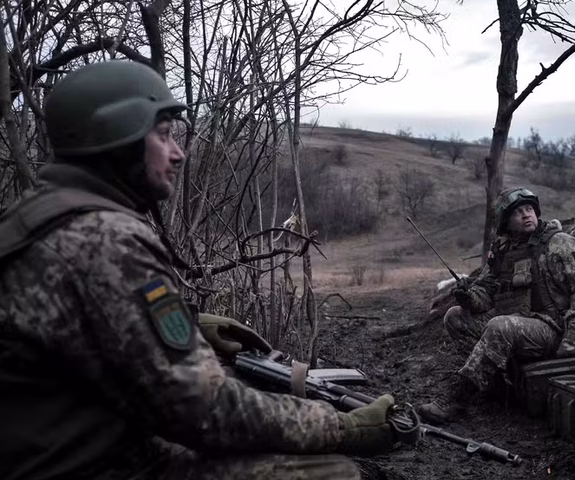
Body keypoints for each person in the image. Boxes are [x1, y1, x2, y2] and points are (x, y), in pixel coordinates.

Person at [0, 61, 394, 480]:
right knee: (331, 472)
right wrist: (343, 425)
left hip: (51, 449)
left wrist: (189, 322)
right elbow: (205, 409)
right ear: (119, 137)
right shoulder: (105, 237)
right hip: (82, 466)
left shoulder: (36, 214)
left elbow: (77, 326)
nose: (178, 153)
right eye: (164, 135)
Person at [418, 187, 575, 424]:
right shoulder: (503, 251)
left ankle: (458, 397)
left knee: (500, 326)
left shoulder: (560, 243)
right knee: (455, 317)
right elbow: (485, 292)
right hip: (516, 322)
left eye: (529, 209)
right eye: (518, 212)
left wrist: (573, 338)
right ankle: (495, 389)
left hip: (554, 328)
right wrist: (468, 297)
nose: (527, 215)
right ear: (507, 221)